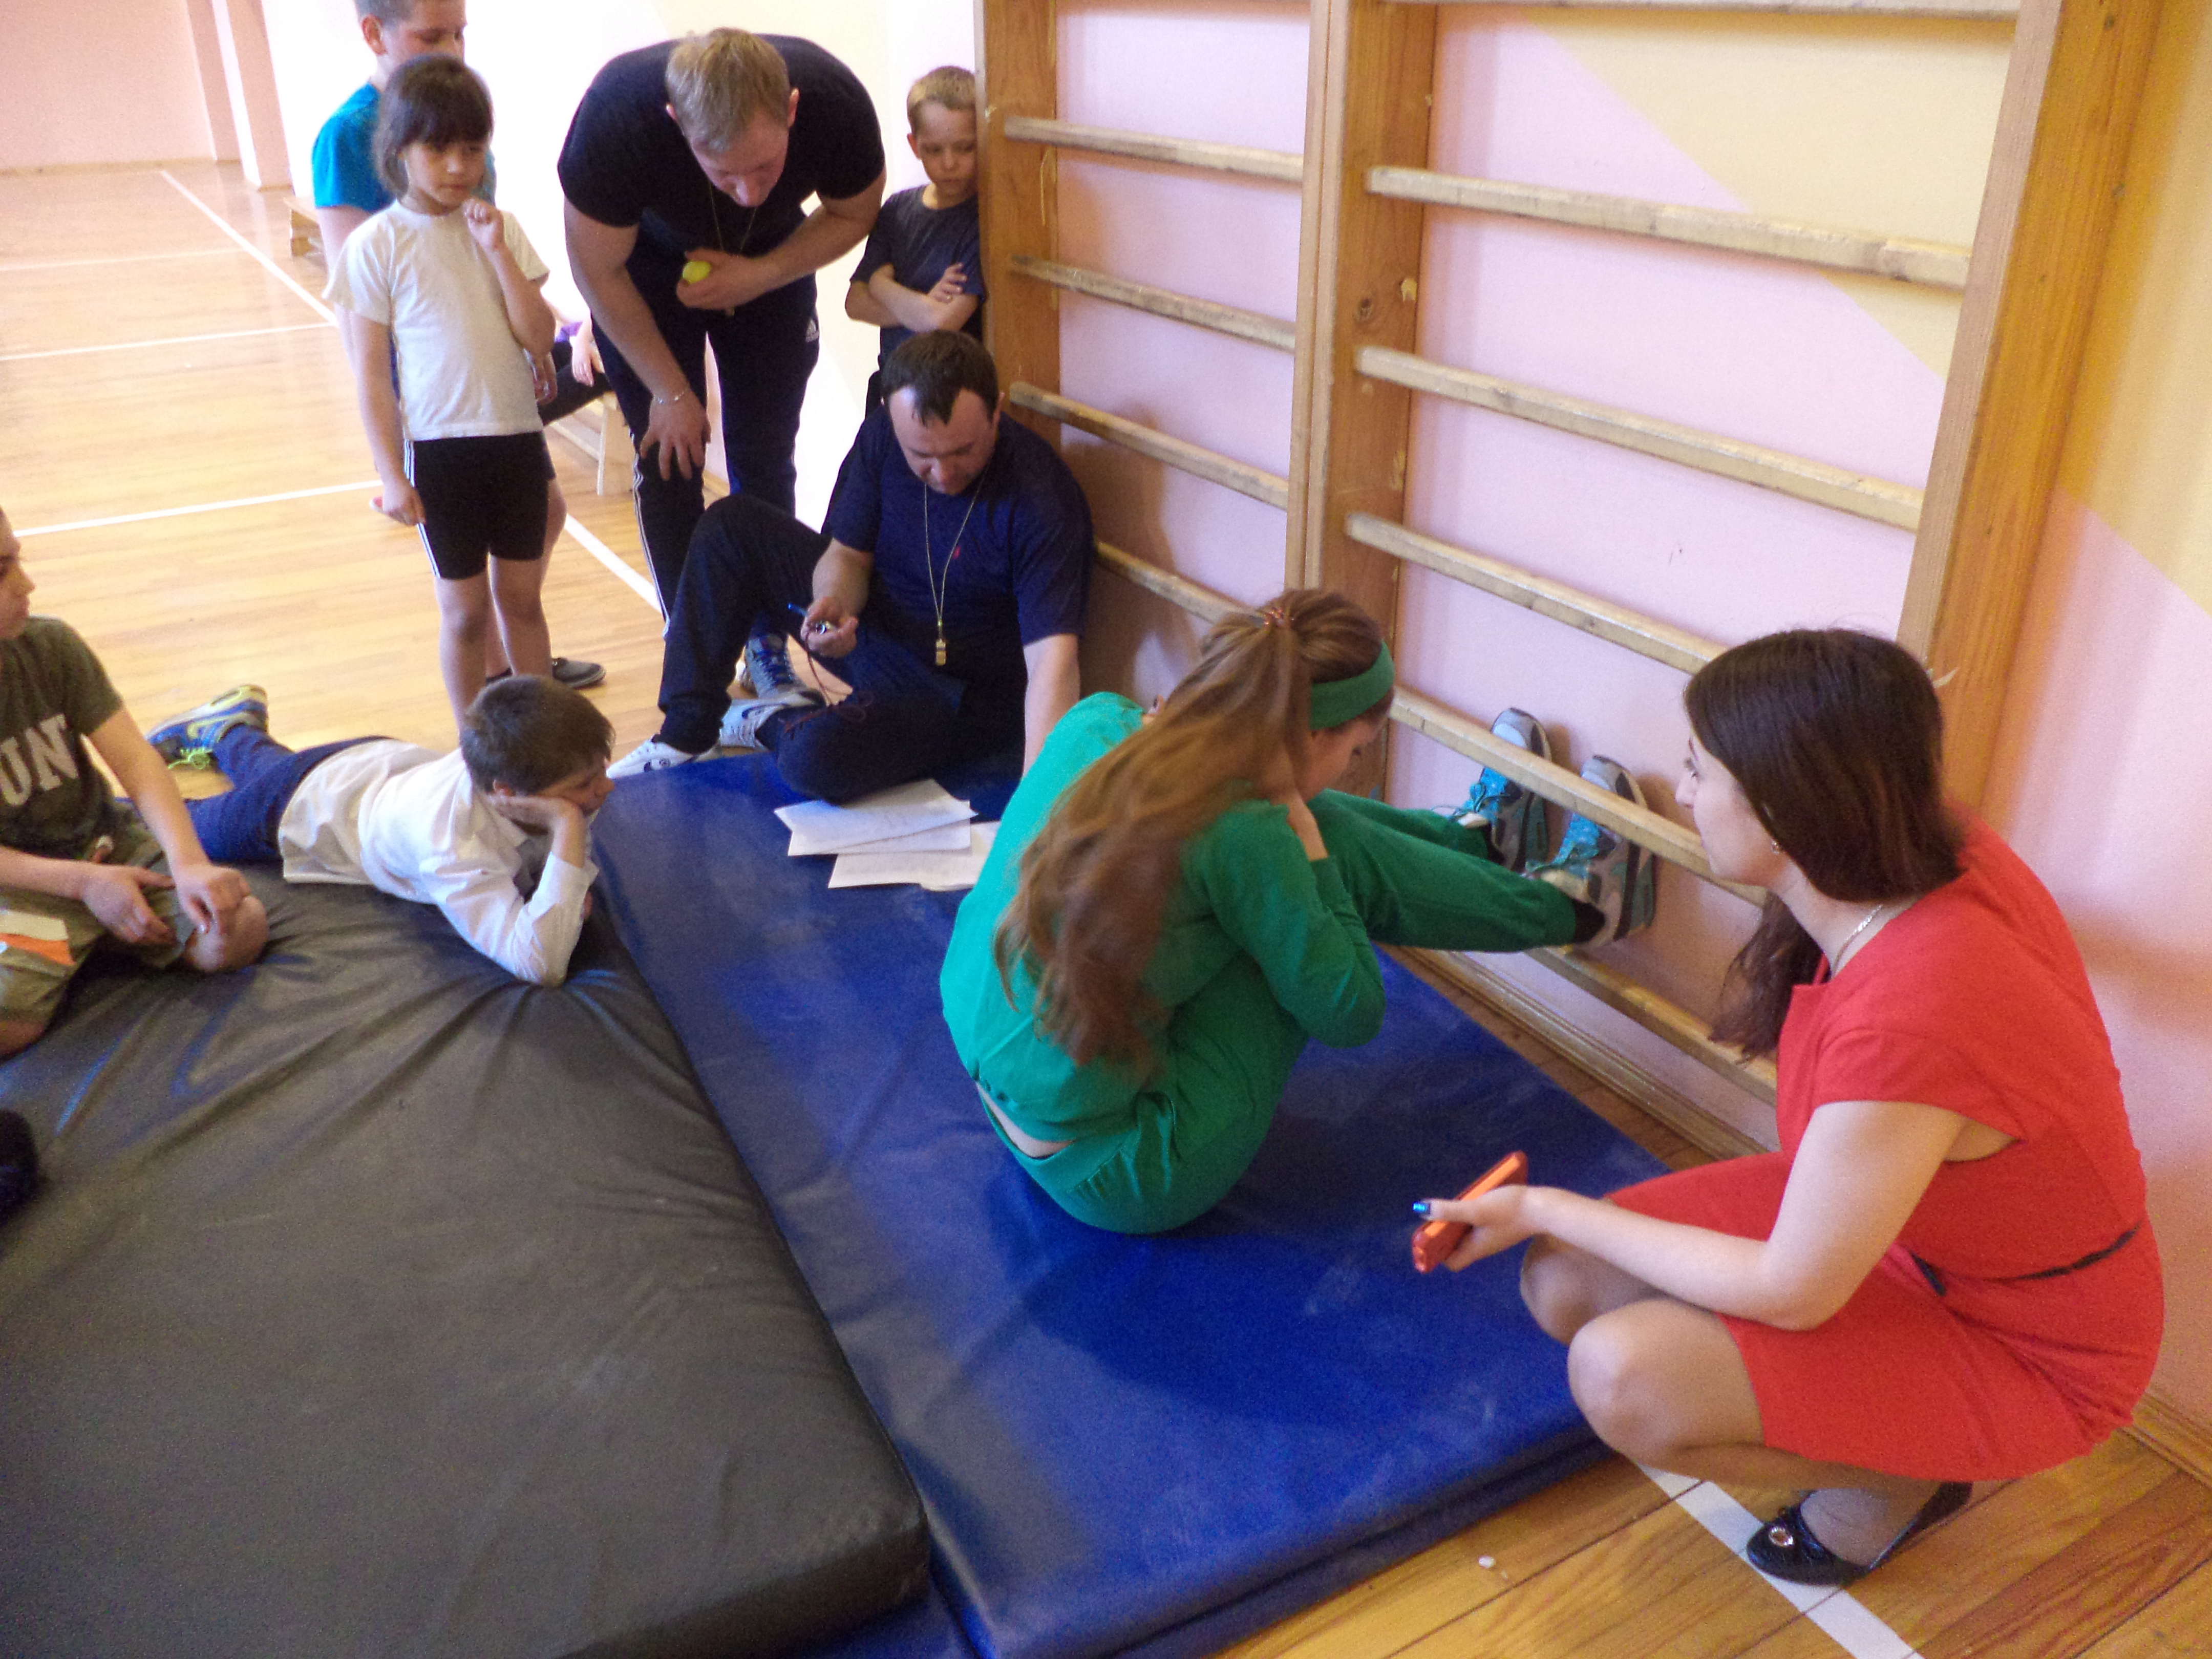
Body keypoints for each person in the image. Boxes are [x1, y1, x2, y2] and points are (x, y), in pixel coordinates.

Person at [1419, 629, 2162, 1585]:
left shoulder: (1915, 1009)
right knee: (1565, 1280)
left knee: (1622, 1375)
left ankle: (1905, 1479)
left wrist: (1545, 1204)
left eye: (1700, 771)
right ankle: (1884, 1440)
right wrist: (1557, 1227)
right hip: (1908, 1231)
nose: (1685, 793)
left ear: (1784, 805)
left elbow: (1791, 1288)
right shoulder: (1895, 849)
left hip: (2033, 1342)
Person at [939, 590, 1655, 1236]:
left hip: (1013, 1108)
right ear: (1313, 736)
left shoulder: (1100, 718)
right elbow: (1352, 1010)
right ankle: (1581, 910)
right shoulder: (1244, 834)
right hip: (1124, 1170)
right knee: (1315, 850)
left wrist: (1299, 831)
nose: (1352, 766)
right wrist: (1308, 853)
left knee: (1298, 829)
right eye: (1355, 750)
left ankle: (1478, 842)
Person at [609, 332, 1091, 802]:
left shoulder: (1041, 496)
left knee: (812, 758)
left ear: (996, 411)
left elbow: (1053, 663)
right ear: (894, 423)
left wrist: (1038, 808)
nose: (943, 474)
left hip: (954, 696)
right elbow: (846, 555)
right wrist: (834, 603)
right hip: (877, 637)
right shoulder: (882, 435)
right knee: (731, 525)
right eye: (922, 456)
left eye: (962, 452)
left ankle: (770, 721)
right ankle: (687, 733)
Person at [310, 0, 603, 694]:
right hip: (439, 434)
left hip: (511, 426)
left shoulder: (494, 223)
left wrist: (520, 297)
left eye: (472, 150)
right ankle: (481, 729)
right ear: (400, 153)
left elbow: (527, 321)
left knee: (523, 591)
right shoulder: (373, 223)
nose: (459, 166)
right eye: (439, 151)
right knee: (465, 611)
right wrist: (391, 468)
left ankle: (535, 719)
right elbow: (368, 357)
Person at [559, 28, 886, 607]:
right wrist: (670, 392)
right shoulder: (618, 118)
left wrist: (762, 274)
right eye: (724, 172)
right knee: (670, 459)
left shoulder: (834, 104)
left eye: (764, 167)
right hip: (644, 272)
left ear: (791, 110)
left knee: (765, 458)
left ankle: (766, 638)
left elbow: (854, 212)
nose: (747, 192)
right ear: (677, 124)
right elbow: (597, 271)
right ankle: (689, 641)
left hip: (773, 256)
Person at [0, 507, 266, 1058]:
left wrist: (189, 864)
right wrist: (84, 886)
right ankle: (92, 932)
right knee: (10, 1026)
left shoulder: (50, 646)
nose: (27, 584)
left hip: (107, 846)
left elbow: (137, 762)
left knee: (236, 931)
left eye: (17, 560)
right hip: (25, 890)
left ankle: (97, 935)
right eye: (2, 571)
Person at [148, 676, 613, 988]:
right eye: (584, 785)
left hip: (366, 768)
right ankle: (113, 811)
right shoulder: (453, 847)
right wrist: (568, 824)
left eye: (601, 772)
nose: (607, 789)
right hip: (304, 806)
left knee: (271, 771)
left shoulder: (531, 780)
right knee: (187, 824)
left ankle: (232, 726)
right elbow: (541, 964)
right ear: (508, 793)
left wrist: (562, 855)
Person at [844, 66, 984, 411]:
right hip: (892, 389)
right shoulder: (896, 210)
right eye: (934, 150)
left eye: (965, 148)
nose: (949, 163)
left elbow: (942, 322)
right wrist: (921, 305)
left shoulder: (983, 219)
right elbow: (855, 303)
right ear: (914, 145)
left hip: (952, 399)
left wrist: (882, 285)